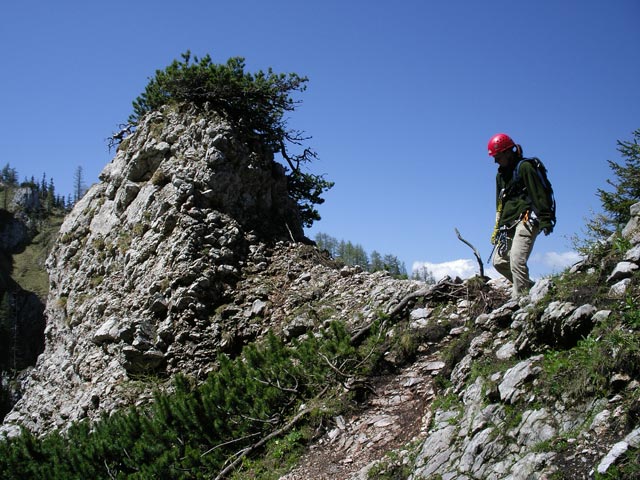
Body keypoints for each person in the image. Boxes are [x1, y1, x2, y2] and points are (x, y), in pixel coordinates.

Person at [488, 133, 555, 298]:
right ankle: (530, 289)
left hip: (527, 218)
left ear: (507, 152)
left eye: (497, 156)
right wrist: (497, 228)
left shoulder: (525, 168)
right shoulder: (501, 176)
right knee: (499, 261)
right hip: (508, 223)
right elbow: (500, 204)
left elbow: (539, 193)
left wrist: (546, 219)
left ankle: (520, 302)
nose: (495, 161)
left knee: (517, 260)